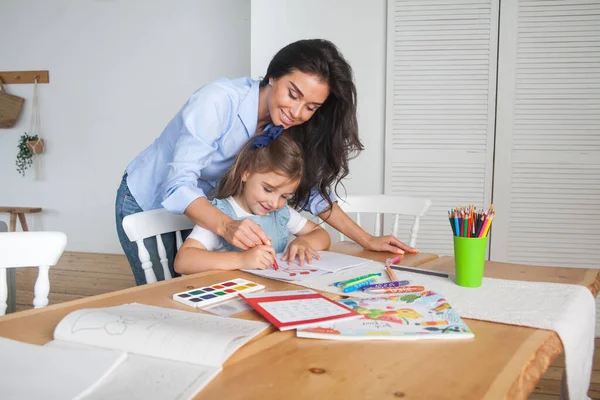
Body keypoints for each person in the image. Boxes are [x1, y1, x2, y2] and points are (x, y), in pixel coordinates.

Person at [116, 38, 417, 285]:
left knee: (198, 286)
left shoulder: (286, 126)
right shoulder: (218, 101)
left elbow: (312, 195)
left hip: (207, 208)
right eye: (293, 94)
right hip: (148, 198)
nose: (297, 112)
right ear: (273, 76)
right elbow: (178, 186)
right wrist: (227, 225)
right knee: (165, 292)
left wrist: (366, 239)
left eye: (311, 106)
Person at [174, 127, 330, 274]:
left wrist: (304, 243)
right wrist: (242, 260)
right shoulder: (221, 214)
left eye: (285, 196)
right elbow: (183, 261)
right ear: (246, 172)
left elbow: (321, 234)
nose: (274, 203)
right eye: (268, 190)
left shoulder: (281, 213)